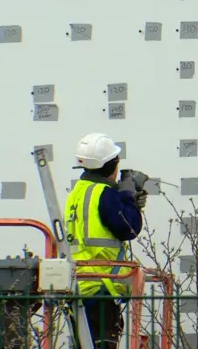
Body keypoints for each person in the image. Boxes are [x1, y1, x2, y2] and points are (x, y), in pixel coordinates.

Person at [64, 132, 147, 349]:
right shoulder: (105, 194)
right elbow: (129, 228)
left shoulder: (78, 192)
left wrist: (123, 196)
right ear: (112, 165)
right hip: (100, 286)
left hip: (77, 283)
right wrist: (129, 199)